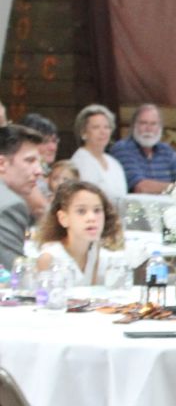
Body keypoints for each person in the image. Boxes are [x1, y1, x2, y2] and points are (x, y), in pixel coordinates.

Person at [34, 180, 124, 286]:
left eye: (97, 210)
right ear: (63, 218)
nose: (92, 218)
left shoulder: (100, 254)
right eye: (81, 211)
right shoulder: (49, 258)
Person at [109, 104, 176, 193]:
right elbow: (141, 188)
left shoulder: (166, 150)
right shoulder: (122, 149)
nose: (148, 129)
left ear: (160, 128)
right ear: (134, 126)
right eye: (143, 123)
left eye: (153, 124)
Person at [0, 125, 44, 270]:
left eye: (39, 162)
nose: (39, 171)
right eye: (30, 160)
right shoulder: (10, 204)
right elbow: (13, 274)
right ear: (2, 163)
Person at [70, 105, 129, 205]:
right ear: (84, 132)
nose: (103, 132)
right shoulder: (79, 161)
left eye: (107, 127)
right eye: (96, 127)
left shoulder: (114, 163)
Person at [19, 114, 59, 219]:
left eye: (54, 141)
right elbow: (41, 208)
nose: (52, 147)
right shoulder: (23, 172)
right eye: (45, 141)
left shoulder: (50, 171)